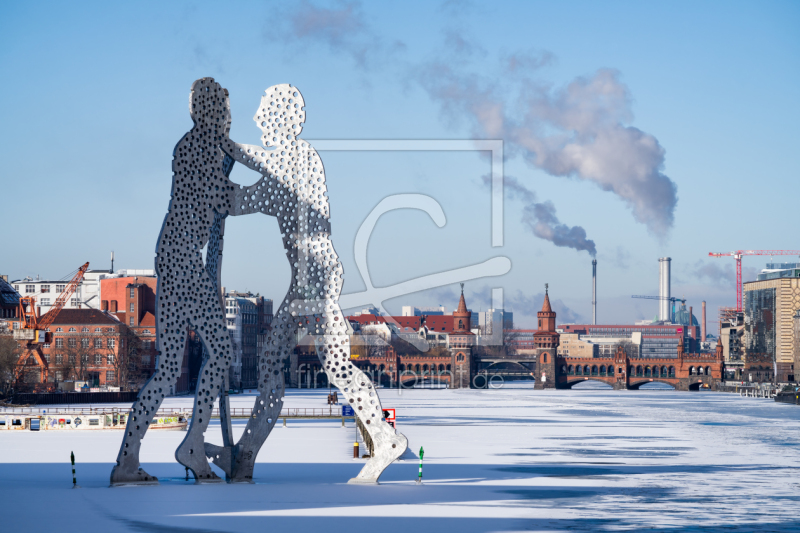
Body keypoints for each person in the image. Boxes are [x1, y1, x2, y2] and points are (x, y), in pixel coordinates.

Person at [205, 84, 408, 483]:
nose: (259, 119)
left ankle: (385, 438)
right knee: (277, 367)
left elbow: (260, 169)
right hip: (308, 278)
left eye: (264, 112)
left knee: (331, 365)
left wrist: (224, 145)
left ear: (283, 118)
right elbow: (242, 201)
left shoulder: (299, 158)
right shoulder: (285, 170)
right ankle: (244, 456)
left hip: (315, 278)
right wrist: (217, 186)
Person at [110, 78, 268, 485]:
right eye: (225, 112)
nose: (229, 120)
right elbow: (228, 199)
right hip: (184, 262)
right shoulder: (199, 148)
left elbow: (238, 156)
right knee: (217, 352)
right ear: (209, 112)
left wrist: (261, 163)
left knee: (166, 371)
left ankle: (128, 459)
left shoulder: (204, 144)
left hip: (174, 259)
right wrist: (271, 194)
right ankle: (193, 444)